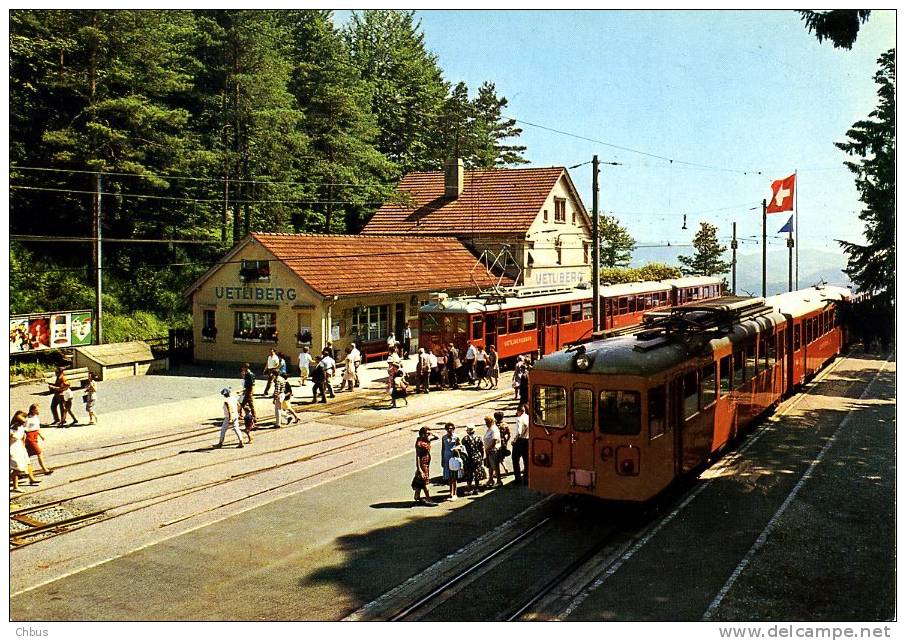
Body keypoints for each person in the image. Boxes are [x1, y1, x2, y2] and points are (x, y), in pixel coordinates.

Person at [10, 411, 40, 491]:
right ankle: (15, 487)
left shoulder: (21, 427)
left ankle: (31, 479)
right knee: (16, 468)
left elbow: (23, 438)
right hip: (13, 448)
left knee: (26, 463)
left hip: (20, 448)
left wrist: (23, 447)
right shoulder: (12, 428)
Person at [24, 405, 52, 475]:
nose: (38, 411)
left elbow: (37, 427)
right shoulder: (27, 419)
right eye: (36, 410)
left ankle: (16, 470)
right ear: (32, 410)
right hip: (29, 437)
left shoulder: (35, 417)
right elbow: (24, 429)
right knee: (39, 452)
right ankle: (45, 469)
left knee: (27, 455)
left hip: (35, 436)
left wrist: (41, 436)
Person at [412, 426, 437, 504]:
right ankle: (428, 498)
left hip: (427, 463)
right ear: (422, 434)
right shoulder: (419, 443)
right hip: (423, 464)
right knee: (425, 479)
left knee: (420, 479)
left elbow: (437, 437)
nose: (428, 435)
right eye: (426, 433)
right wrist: (419, 468)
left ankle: (417, 496)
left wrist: (431, 433)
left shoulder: (427, 440)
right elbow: (418, 456)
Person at [461, 425, 486, 495]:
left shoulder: (465, 439)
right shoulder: (479, 438)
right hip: (477, 456)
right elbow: (482, 448)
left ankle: (469, 489)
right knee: (477, 472)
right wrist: (481, 456)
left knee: (469, 473)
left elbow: (463, 450)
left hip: (469, 457)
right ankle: (476, 488)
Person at [482, 415, 503, 488]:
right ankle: (490, 479)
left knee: (495, 466)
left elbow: (494, 440)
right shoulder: (490, 428)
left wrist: (488, 448)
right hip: (489, 450)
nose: (486, 424)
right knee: (490, 466)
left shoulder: (494, 429)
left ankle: (499, 481)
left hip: (493, 450)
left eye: (487, 422)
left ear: (491, 421)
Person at [512, 404, 529, 485]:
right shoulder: (528, 417)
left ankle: (518, 478)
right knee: (526, 460)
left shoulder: (519, 419)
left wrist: (514, 441)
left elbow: (518, 432)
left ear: (520, 411)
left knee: (515, 459)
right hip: (527, 440)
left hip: (520, 441)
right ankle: (526, 479)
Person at [494, 410, 511, 475]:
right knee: (501, 457)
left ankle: (496, 472)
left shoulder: (494, 425)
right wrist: (506, 441)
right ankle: (505, 467)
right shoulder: (505, 425)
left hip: (496, 443)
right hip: (503, 442)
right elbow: (509, 435)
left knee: (495, 457)